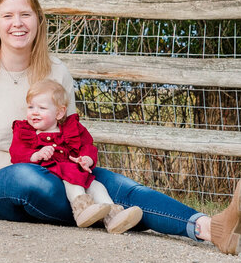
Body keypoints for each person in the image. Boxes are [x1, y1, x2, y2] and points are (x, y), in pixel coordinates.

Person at [0, 0, 241, 255]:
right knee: (30, 178)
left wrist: (84, 162)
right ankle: (100, 210)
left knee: (120, 187)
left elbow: (70, 134)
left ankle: (208, 227)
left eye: (25, 14)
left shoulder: (56, 71)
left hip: (62, 170)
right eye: (9, 15)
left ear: (38, 20)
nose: (18, 23)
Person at [10, 79, 143, 233]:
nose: (34, 112)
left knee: (97, 186)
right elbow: (16, 152)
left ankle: (114, 217)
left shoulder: (71, 129)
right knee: (73, 181)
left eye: (42, 108)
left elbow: (87, 145)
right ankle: (82, 211)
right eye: (31, 106)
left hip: (74, 170)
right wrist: (36, 155)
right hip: (50, 173)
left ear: (59, 113)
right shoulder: (25, 131)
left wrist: (86, 159)